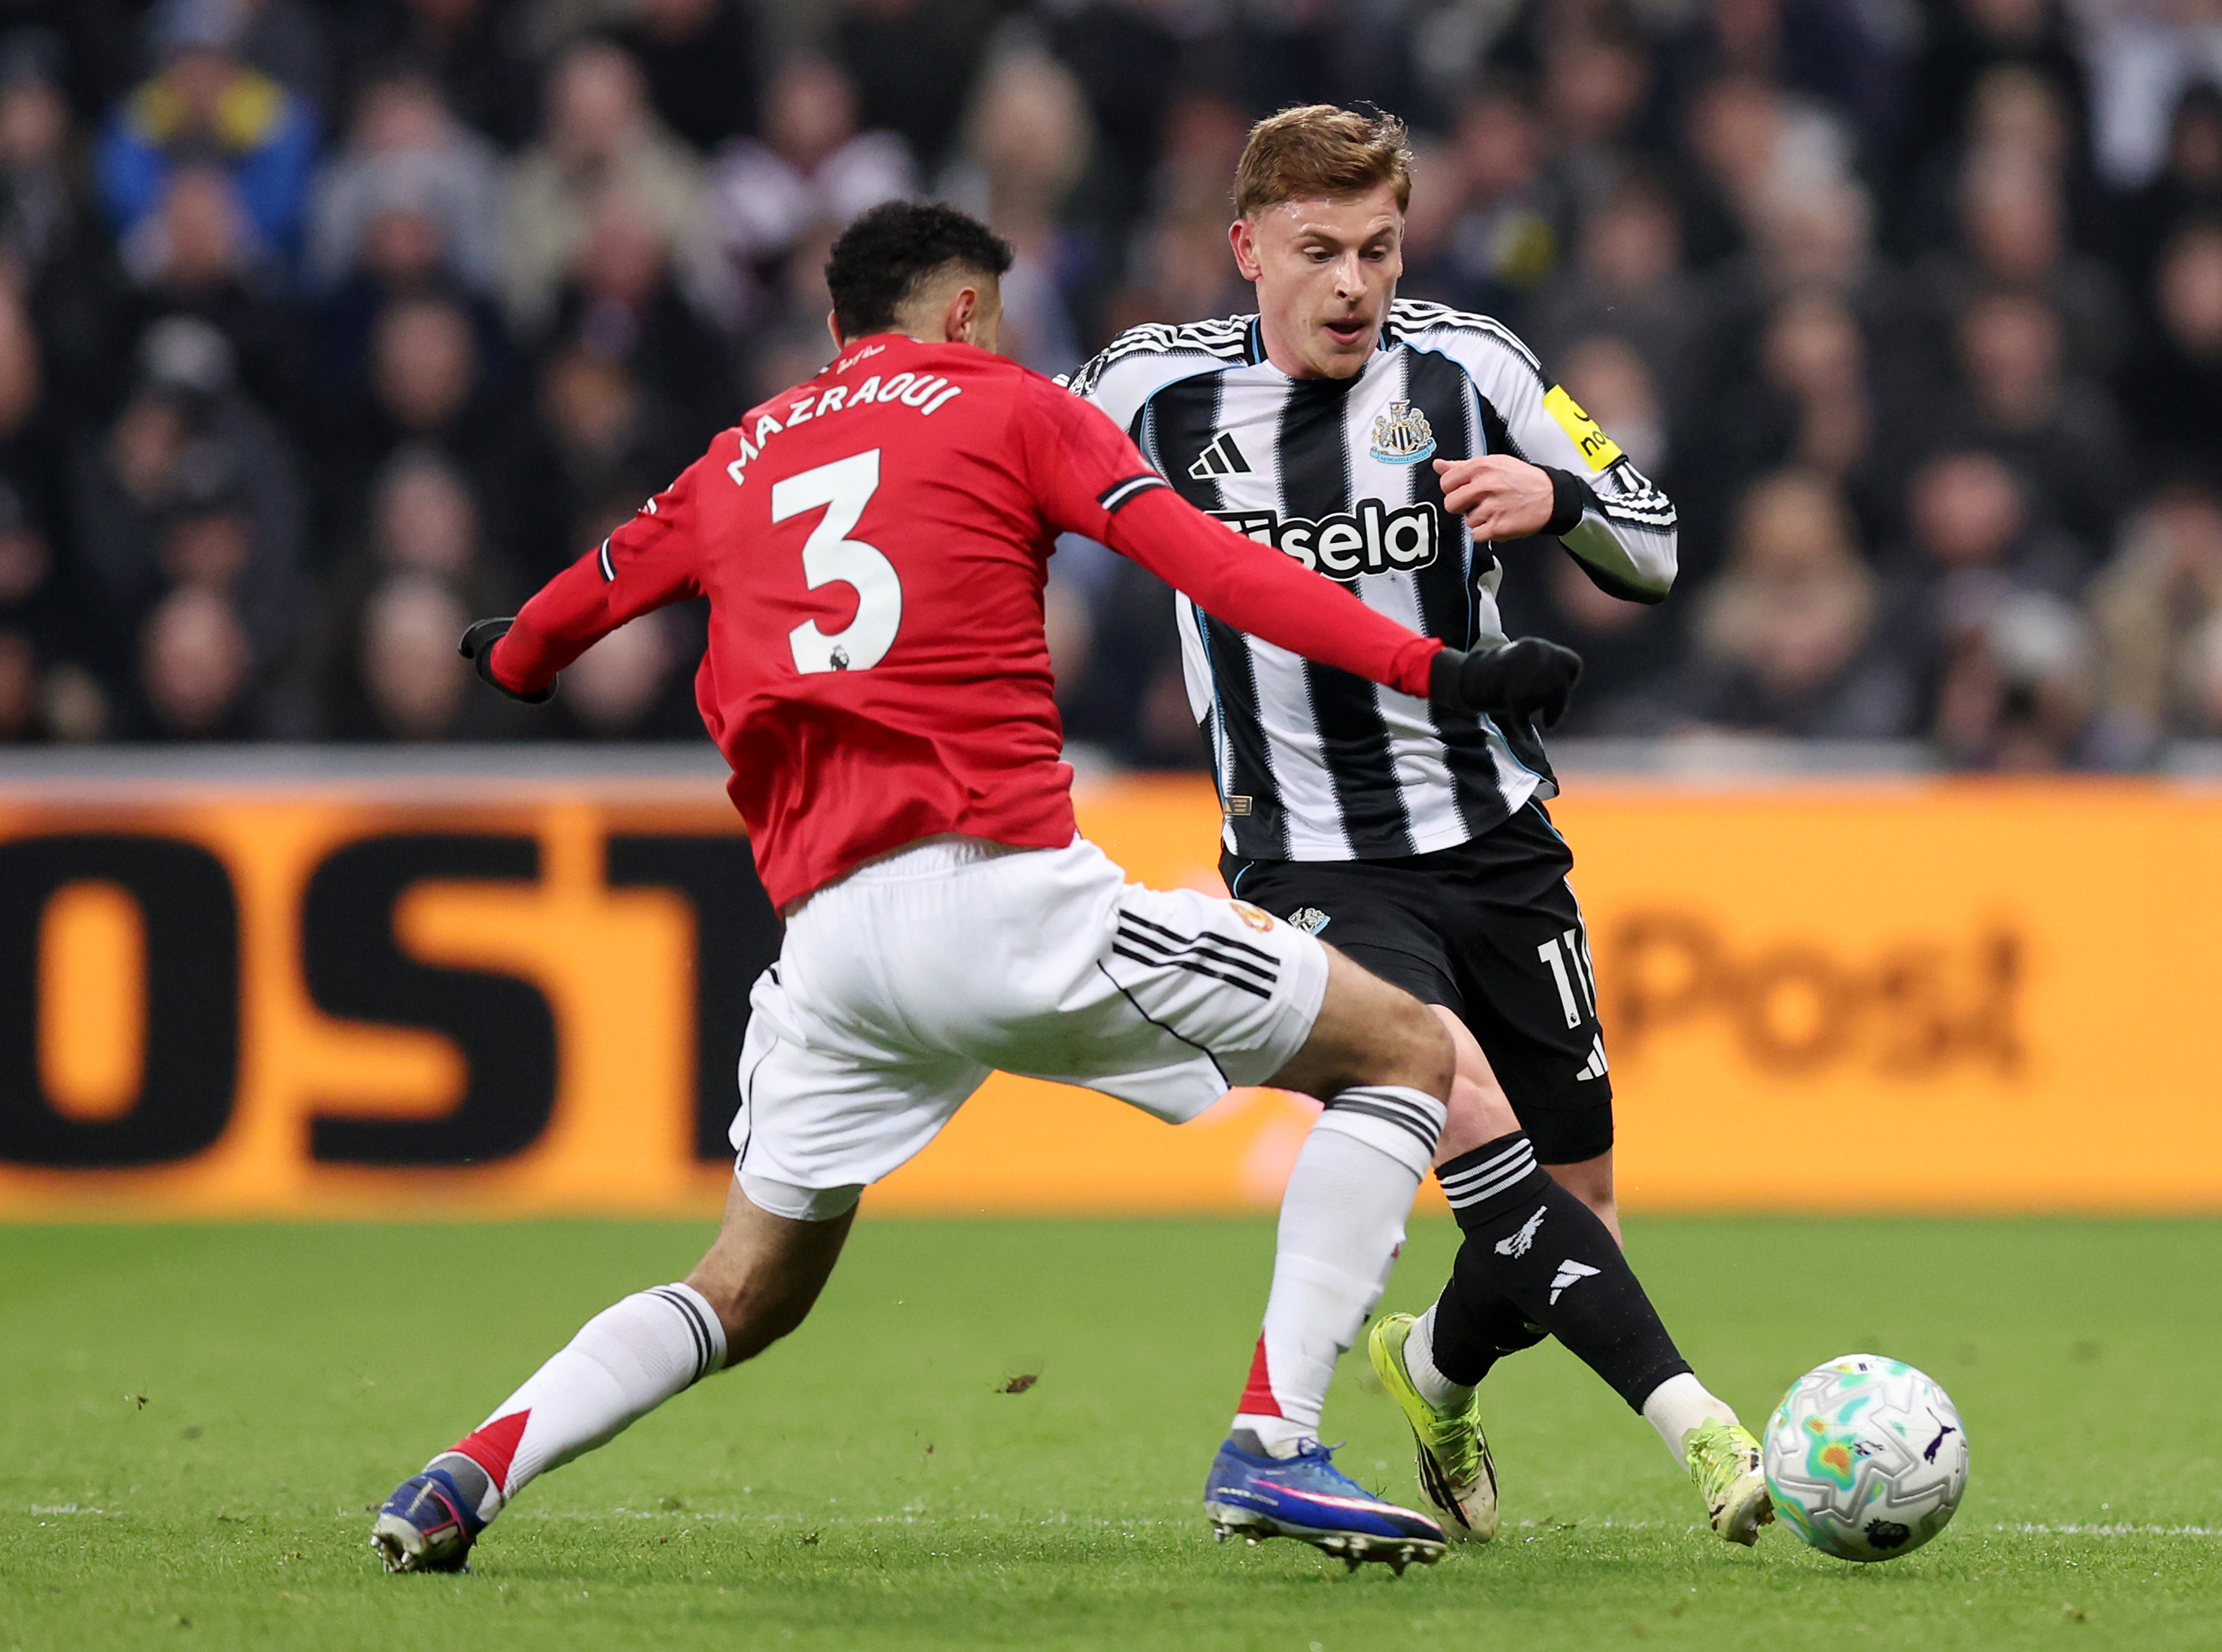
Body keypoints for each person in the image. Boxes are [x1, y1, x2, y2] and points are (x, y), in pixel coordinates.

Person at [366, 199, 1584, 1576]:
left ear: (836, 329)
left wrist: (507, 652)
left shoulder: (736, 458)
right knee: (1408, 1052)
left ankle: (467, 1470)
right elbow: (1220, 570)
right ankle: (1276, 1439)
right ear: (962, 316)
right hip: (1006, 896)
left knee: (745, 1288)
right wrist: (1441, 672)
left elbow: (561, 619)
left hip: (830, 945)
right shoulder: (1009, 406)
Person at [1069, 106, 1772, 1550]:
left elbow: (1654, 535)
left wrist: (1558, 497)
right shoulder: (1148, 387)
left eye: (1377, 249)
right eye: (1317, 250)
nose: (1350, 284)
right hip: (1307, 853)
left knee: (1576, 1206)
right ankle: (1707, 1432)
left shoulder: (1478, 366)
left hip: (1494, 834)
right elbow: (1005, 496)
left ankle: (1433, 1370)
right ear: (1245, 248)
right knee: (1470, 1118)